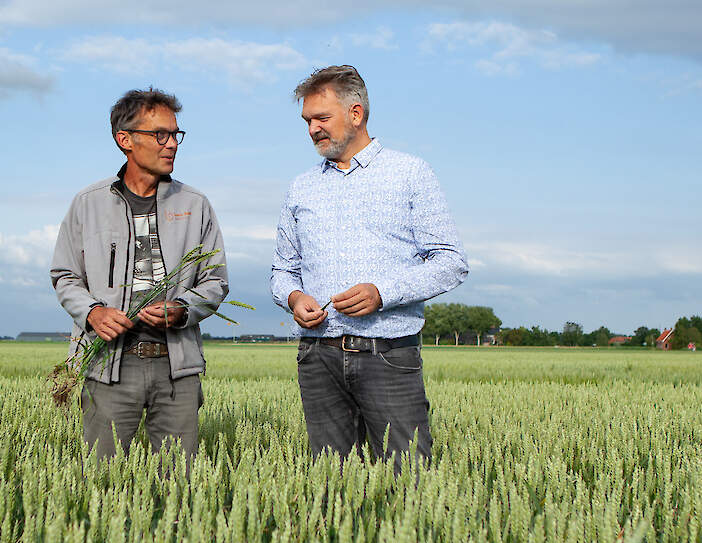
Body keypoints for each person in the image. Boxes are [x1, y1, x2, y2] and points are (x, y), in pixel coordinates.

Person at [271, 65, 468, 471]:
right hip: (317, 356)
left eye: (321, 118)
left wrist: (383, 293)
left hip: (388, 356)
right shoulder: (301, 187)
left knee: (408, 480)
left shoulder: (410, 173)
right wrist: (293, 297)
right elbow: (283, 270)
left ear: (356, 114)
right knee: (329, 486)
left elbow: (450, 262)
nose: (312, 129)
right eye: (307, 121)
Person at [51, 88, 228, 460]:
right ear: (125, 140)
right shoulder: (89, 203)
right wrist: (93, 313)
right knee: (100, 482)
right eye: (159, 135)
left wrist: (182, 309)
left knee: (182, 485)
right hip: (109, 363)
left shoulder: (195, 205)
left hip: (176, 364)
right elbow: (65, 275)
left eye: (175, 135)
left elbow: (215, 281)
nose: (172, 145)